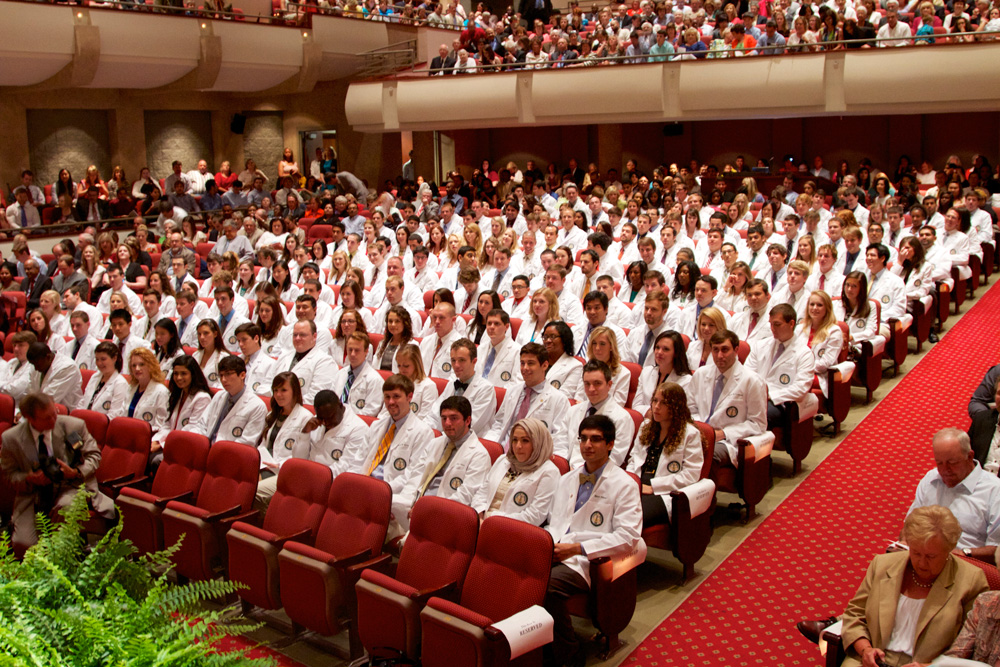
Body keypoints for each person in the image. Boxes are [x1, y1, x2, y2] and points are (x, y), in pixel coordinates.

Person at [543, 414, 643, 667]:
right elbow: (555, 523)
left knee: (545, 588)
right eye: (584, 438)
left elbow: (629, 536)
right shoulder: (567, 479)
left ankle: (569, 654)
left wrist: (577, 548)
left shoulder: (624, 484)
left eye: (596, 439)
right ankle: (537, 645)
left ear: (610, 444)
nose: (588, 445)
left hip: (588, 560)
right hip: (555, 551)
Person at [837, 506, 987, 666]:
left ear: (949, 549)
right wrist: (865, 650)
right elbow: (854, 614)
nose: (922, 563)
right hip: (870, 661)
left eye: (931, 556)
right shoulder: (883, 565)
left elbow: (972, 646)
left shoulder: (971, 581)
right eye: (916, 553)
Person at [0, 393, 114, 556]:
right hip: (32, 495)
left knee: (65, 510)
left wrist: (76, 472)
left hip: (70, 487)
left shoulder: (72, 427)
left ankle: (60, 562)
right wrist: (29, 478)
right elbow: (8, 475)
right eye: (47, 418)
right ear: (30, 419)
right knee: (23, 544)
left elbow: (94, 456)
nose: (54, 420)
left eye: (55, 413)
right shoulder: (12, 439)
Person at [392, 396, 493, 533]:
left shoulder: (479, 455)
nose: (447, 423)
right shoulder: (435, 443)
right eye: (444, 418)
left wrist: (428, 509)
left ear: (467, 420)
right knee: (382, 501)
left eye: (453, 418)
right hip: (417, 503)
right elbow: (416, 475)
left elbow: (465, 496)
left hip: (444, 513)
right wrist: (411, 502)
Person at [908, 428, 1000, 560]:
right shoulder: (931, 479)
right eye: (939, 463)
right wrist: (904, 543)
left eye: (952, 463)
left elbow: (997, 549)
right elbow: (910, 525)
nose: (945, 470)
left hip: (968, 563)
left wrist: (964, 553)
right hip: (924, 559)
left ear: (969, 457)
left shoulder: (995, 491)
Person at [627, 382, 706, 529]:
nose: (656, 407)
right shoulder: (646, 427)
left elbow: (690, 475)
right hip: (637, 486)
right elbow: (633, 460)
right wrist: (631, 483)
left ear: (676, 407)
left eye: (663, 403)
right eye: (655, 401)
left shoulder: (690, 434)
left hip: (663, 493)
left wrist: (652, 487)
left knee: (630, 516)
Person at [688, 330, 769, 465]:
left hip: (729, 441)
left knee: (705, 453)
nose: (719, 355)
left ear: (736, 350)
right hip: (699, 433)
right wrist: (701, 429)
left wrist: (724, 433)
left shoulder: (752, 380)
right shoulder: (701, 374)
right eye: (715, 350)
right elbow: (690, 409)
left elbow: (758, 424)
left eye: (725, 350)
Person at [356, 374, 436, 493]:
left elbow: (412, 475)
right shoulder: (376, 426)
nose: (391, 402)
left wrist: (380, 490)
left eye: (396, 396)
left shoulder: (423, 432)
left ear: (410, 397)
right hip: (363, 485)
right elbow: (359, 460)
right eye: (387, 397)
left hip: (390, 493)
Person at [485, 343, 570, 454]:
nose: (525, 368)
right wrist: (489, 447)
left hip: (532, 457)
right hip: (502, 451)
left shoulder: (559, 399)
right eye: (522, 363)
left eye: (530, 363)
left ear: (544, 365)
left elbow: (558, 439)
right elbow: (499, 424)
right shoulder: (512, 391)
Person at [474, 417, 560, 526]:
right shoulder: (503, 460)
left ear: (538, 442)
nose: (518, 446)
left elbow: (535, 515)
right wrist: (479, 515)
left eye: (525, 440)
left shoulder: (549, 472)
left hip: (513, 531)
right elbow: (482, 493)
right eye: (515, 440)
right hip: (482, 523)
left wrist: (493, 520)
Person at [745, 304, 816, 429]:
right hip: (754, 398)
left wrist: (770, 395)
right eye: (770, 324)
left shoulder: (804, 353)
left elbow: (800, 389)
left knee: (755, 418)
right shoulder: (760, 346)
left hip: (780, 403)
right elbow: (747, 375)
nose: (772, 328)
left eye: (777, 324)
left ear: (791, 324)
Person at [254, 371, 315, 510]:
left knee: (253, 490)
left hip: (284, 471)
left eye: (283, 390)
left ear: (295, 391)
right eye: (275, 390)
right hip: (264, 466)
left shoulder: (306, 418)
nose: (278, 395)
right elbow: (263, 445)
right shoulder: (273, 415)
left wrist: (278, 464)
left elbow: (303, 456)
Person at [564, 360, 636, 467]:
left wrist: (580, 471)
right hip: (568, 471)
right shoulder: (573, 411)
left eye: (597, 383)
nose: (591, 389)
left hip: (598, 477)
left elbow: (615, 459)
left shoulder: (622, 418)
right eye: (587, 384)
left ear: (609, 385)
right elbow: (561, 445)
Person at [192, 355, 267, 446]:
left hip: (230, 455)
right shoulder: (218, 396)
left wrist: (219, 451)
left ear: (242, 375)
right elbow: (202, 425)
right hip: (206, 449)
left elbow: (247, 442)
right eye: (221, 375)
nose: (223, 380)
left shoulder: (257, 406)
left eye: (228, 374)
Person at [427, 338, 497, 436]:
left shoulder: (486, 389)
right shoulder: (451, 384)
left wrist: (439, 437)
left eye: (462, 360)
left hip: (470, 443)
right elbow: (434, 416)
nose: (456, 365)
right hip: (444, 438)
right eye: (453, 360)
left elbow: (470, 426)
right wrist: (425, 431)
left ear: (474, 361)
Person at [152, 355, 212, 454]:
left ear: (193, 375)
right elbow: (167, 424)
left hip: (185, 447)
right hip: (170, 443)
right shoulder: (177, 394)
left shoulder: (202, 398)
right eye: (176, 374)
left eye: (183, 373)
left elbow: (192, 430)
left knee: (155, 460)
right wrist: (156, 441)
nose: (179, 378)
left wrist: (163, 445)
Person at [274, 320, 338, 405]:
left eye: (302, 335)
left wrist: (286, 403)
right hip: (278, 408)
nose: (297, 338)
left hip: (304, 413)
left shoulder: (325, 362)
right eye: (295, 335)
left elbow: (315, 398)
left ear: (314, 336)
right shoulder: (284, 356)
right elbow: (271, 384)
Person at [634, 331, 693, 417]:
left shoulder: (686, 381)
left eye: (666, 349)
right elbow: (636, 406)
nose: (659, 352)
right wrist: (652, 413)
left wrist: (657, 415)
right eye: (657, 347)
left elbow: (680, 413)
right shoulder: (646, 372)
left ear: (676, 353)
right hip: (645, 422)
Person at [331, 332, 384, 417]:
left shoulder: (375, 380)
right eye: (350, 349)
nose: (352, 354)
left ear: (366, 351)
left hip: (357, 425)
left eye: (357, 350)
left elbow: (370, 412)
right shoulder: (340, 374)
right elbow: (331, 401)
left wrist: (345, 418)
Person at [121, 348, 170, 436]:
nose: (137, 368)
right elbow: (122, 416)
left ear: (151, 366)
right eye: (133, 365)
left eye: (142, 364)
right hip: (127, 435)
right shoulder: (131, 388)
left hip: (146, 438)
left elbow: (161, 426)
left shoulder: (161, 392)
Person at [25, 342, 83, 410]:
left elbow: (48, 399)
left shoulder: (68, 368)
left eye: (37, 365)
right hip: (41, 409)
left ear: (48, 357)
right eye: (33, 365)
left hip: (66, 412)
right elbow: (30, 391)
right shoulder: (37, 362)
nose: (35, 369)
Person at [77, 341, 129, 417]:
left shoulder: (120, 383)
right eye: (97, 359)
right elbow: (83, 402)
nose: (99, 363)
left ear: (114, 358)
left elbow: (114, 414)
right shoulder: (95, 376)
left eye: (103, 359)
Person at [475, 308, 521, 389]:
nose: (492, 327)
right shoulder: (480, 348)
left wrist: (495, 393)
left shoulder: (517, 351)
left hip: (502, 396)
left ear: (506, 327)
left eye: (497, 324)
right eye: (489, 323)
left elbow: (517, 383)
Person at [543, 321, 584, 400]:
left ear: (564, 340)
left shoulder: (575, 366)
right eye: (545, 337)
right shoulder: (537, 361)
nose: (547, 340)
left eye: (552, 336)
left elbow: (564, 397)